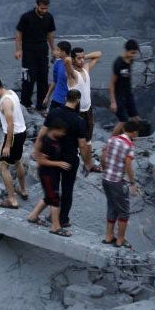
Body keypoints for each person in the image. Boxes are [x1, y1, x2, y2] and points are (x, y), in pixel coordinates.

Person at [29, 89, 96, 230]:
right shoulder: (79, 121)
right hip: (70, 159)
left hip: (53, 156)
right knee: (67, 190)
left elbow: (42, 132)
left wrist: (36, 151)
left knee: (53, 188)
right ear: (78, 100)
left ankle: (45, 216)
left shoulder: (54, 113)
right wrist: (88, 162)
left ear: (66, 98)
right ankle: (62, 220)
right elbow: (83, 145)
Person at [0, 75, 28, 209]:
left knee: (4, 167)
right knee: (17, 161)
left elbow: (10, 125)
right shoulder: (12, 93)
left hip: (13, 135)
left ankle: (12, 200)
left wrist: (7, 145)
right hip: (22, 132)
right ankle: (23, 190)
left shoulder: (5, 102)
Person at [101, 118, 143, 248]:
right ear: (135, 133)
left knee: (112, 206)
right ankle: (120, 240)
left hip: (106, 179)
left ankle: (108, 237)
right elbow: (128, 165)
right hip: (118, 181)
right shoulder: (129, 146)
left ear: (124, 129)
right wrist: (132, 182)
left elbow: (103, 155)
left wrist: (105, 169)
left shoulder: (112, 139)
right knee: (124, 211)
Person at [27, 119, 70, 236]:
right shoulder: (46, 142)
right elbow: (41, 161)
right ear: (55, 129)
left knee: (49, 196)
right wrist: (59, 164)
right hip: (47, 174)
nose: (63, 134)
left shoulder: (55, 140)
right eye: (62, 132)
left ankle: (33, 216)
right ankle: (55, 226)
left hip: (52, 173)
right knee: (54, 198)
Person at [14, 0, 57, 111]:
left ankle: (41, 106)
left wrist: (53, 49)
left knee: (43, 79)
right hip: (28, 52)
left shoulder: (49, 17)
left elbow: (50, 34)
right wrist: (18, 50)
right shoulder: (26, 17)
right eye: (42, 8)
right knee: (28, 79)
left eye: (46, 8)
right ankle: (26, 104)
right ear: (36, 5)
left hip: (43, 52)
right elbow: (19, 33)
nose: (44, 11)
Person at [67, 46, 103, 138]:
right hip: (77, 111)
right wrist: (74, 60)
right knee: (78, 137)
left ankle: (87, 151)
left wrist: (83, 57)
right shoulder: (73, 74)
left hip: (88, 109)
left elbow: (99, 54)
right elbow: (67, 60)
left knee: (88, 136)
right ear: (73, 60)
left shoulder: (86, 68)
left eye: (83, 58)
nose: (82, 60)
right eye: (79, 58)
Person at [110, 39, 141, 129]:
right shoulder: (118, 63)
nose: (133, 55)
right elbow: (111, 84)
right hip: (119, 95)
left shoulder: (130, 61)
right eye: (132, 53)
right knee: (123, 120)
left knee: (136, 119)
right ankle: (111, 141)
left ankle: (130, 141)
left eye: (135, 53)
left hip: (128, 94)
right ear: (126, 51)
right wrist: (113, 102)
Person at [44, 41, 74, 109]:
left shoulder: (73, 65)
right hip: (56, 98)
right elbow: (54, 81)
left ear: (63, 52)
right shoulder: (57, 63)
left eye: (58, 50)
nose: (55, 51)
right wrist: (47, 97)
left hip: (67, 100)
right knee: (51, 118)